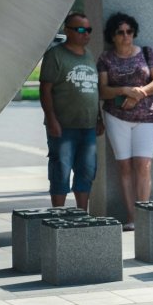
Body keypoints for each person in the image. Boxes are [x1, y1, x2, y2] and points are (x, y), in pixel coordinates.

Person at [97, 12, 153, 231]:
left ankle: (143, 217)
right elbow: (103, 90)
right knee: (124, 167)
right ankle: (131, 217)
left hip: (147, 118)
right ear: (113, 36)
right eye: (121, 32)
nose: (126, 36)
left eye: (129, 31)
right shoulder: (105, 58)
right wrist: (124, 90)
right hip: (117, 117)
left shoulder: (145, 52)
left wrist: (140, 92)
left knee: (144, 166)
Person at [39, 12, 104, 210]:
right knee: (61, 170)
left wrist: (99, 117)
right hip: (63, 127)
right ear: (67, 31)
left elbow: (93, 89)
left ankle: (81, 215)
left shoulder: (89, 55)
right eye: (81, 29)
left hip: (88, 127)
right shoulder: (55, 55)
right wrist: (51, 119)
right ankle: (58, 215)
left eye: (89, 30)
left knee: (86, 171)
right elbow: (45, 89)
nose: (86, 34)